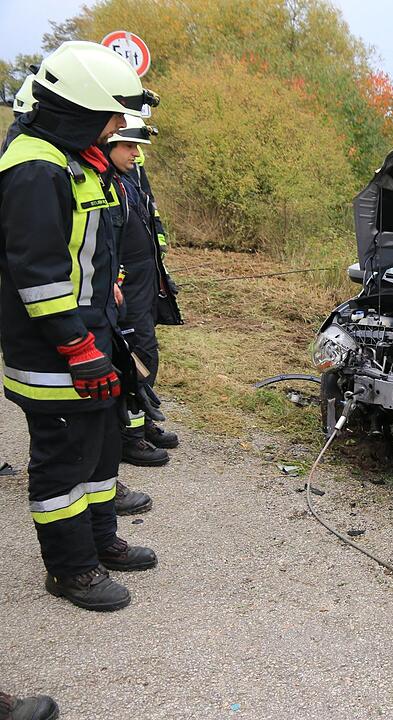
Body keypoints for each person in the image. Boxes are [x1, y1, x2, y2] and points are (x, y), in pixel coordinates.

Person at [0, 41, 160, 611]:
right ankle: (70, 571)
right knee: (62, 463)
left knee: (97, 453)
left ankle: (98, 543)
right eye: (112, 115)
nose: (120, 127)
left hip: (90, 337)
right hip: (55, 351)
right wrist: (75, 345)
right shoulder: (35, 167)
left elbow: (83, 252)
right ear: (79, 110)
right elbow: (37, 272)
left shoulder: (72, 160)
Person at [106, 116, 180, 468]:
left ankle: (141, 420)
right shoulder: (105, 184)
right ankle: (129, 436)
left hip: (145, 283)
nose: (136, 154)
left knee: (146, 355)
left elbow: (149, 218)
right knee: (137, 356)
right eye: (129, 146)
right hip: (125, 289)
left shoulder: (130, 178)